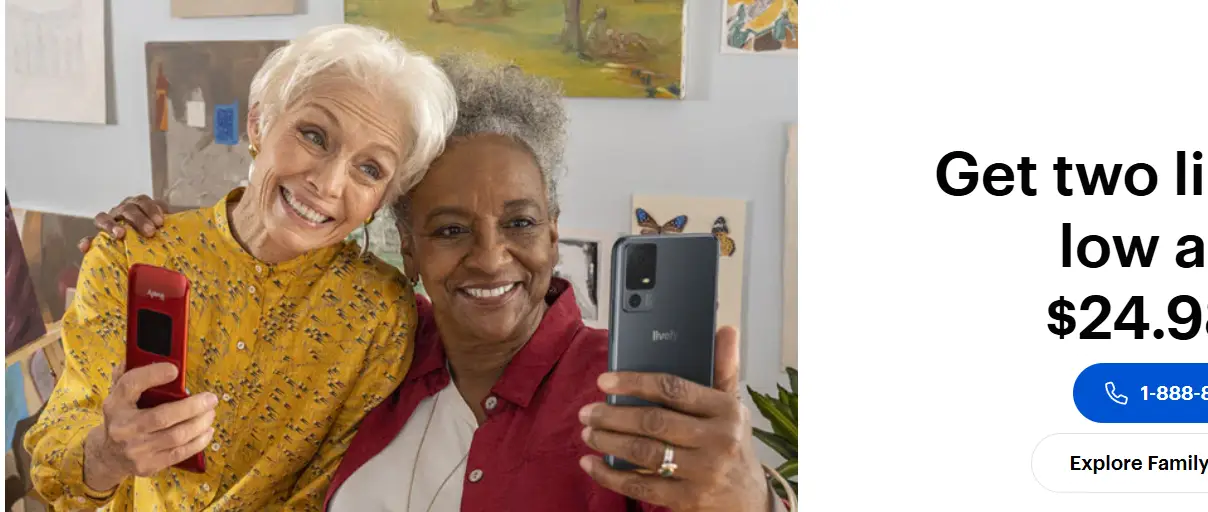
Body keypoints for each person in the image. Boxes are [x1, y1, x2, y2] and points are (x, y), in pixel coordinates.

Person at [82, 53, 796, 512]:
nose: (490, 258)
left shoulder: (624, 383)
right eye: (451, 230)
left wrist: (753, 500)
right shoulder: (373, 340)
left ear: (554, 230)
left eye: (518, 223)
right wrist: (173, 233)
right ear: (410, 251)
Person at [26, 24, 457, 510]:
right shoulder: (130, 253)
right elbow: (56, 455)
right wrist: (107, 455)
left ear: (382, 198)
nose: (329, 182)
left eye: (370, 169)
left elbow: (330, 495)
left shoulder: (380, 315)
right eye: (315, 136)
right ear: (258, 125)